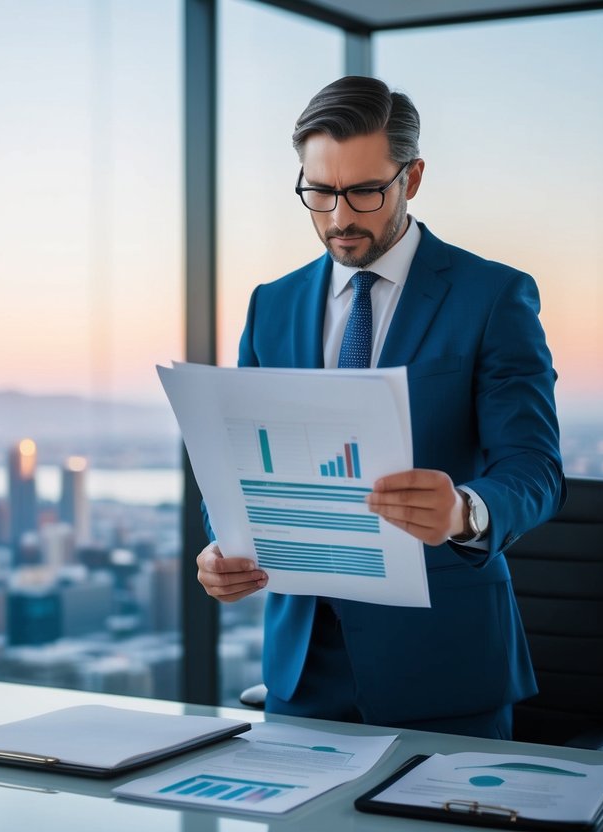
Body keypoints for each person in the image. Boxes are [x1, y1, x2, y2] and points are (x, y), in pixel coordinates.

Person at [197, 76, 565, 739]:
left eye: (364, 191)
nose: (339, 217)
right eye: (319, 192)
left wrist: (463, 510)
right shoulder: (270, 305)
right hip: (302, 669)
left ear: (411, 178)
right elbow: (236, 458)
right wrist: (223, 544)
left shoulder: (491, 296)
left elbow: (534, 470)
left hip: (444, 664)